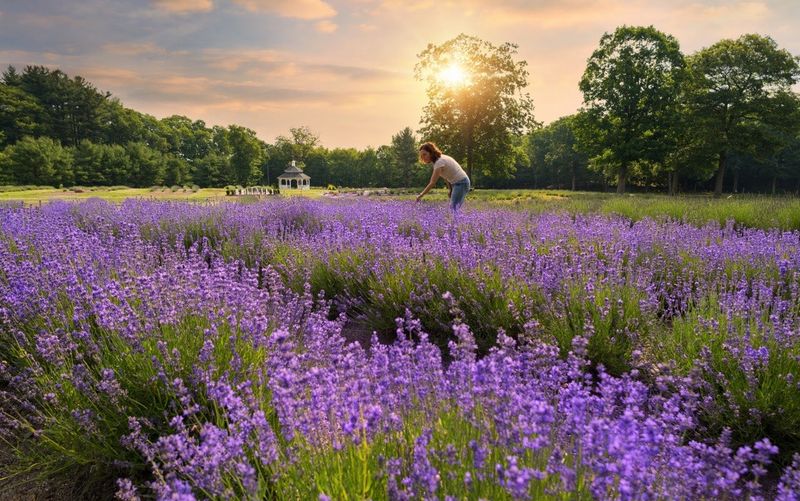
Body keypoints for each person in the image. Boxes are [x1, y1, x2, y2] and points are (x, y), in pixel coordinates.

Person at [415, 142, 471, 211]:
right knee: (454, 209)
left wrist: (421, 195)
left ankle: (460, 221)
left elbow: (432, 182)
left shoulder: (439, 162)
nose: (423, 158)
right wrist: (450, 189)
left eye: (425, 154)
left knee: (454, 209)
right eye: (421, 156)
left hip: (461, 183)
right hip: (457, 183)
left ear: (431, 152)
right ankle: (458, 221)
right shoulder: (439, 160)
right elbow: (446, 177)